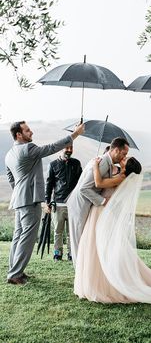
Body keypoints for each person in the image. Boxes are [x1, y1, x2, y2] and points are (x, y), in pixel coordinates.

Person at [74, 156, 151, 304]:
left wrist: (95, 167)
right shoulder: (122, 177)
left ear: (126, 166)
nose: (123, 159)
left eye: (125, 159)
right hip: (102, 212)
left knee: (96, 248)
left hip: (101, 212)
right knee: (98, 248)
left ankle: (104, 285)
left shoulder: (120, 178)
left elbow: (99, 183)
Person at [5, 121, 84, 285]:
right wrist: (74, 135)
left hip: (19, 199)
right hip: (30, 199)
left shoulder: (9, 154)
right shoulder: (28, 148)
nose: (31, 132)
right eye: (27, 130)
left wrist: (21, 191)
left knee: (18, 236)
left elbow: (12, 179)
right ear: (19, 135)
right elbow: (51, 148)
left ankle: (15, 270)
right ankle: (15, 275)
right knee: (27, 237)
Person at [67, 137, 130, 266]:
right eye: (124, 153)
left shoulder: (106, 162)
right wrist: (102, 201)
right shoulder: (103, 163)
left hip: (85, 204)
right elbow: (84, 188)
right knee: (79, 239)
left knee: (84, 239)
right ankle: (80, 272)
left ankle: (83, 270)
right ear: (116, 150)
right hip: (80, 204)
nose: (124, 157)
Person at [45, 144, 82, 261]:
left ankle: (72, 254)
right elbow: (49, 184)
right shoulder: (53, 164)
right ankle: (57, 254)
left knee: (71, 232)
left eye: (71, 148)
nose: (70, 150)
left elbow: (81, 183)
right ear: (61, 149)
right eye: (67, 148)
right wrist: (47, 202)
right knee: (57, 231)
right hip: (58, 204)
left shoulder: (76, 163)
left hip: (73, 204)